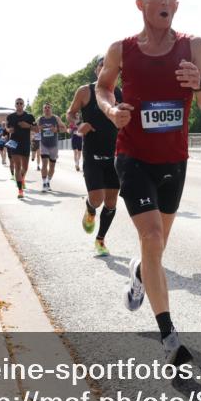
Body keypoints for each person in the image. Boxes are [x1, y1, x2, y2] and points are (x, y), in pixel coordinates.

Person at [96, 0, 201, 364]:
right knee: (151, 237)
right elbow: (102, 86)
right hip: (132, 155)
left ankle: (138, 273)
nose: (165, 2)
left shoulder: (193, 46)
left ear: (176, 5)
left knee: (157, 247)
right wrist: (112, 108)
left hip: (174, 159)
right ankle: (169, 336)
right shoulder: (122, 49)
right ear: (141, 4)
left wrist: (199, 84)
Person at [67, 58, 123, 256]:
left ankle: (100, 240)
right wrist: (77, 124)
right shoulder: (85, 91)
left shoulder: (118, 93)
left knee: (111, 203)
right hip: (92, 153)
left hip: (114, 154)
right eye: (103, 67)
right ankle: (90, 209)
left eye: (111, 68)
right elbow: (70, 113)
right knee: (97, 200)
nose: (106, 71)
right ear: (96, 70)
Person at [6, 98, 35, 199]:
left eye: (21, 103)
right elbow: (7, 128)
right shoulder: (10, 117)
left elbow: (37, 129)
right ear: (15, 105)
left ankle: (22, 179)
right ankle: (20, 190)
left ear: (23, 105)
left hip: (25, 143)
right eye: (17, 103)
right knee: (17, 167)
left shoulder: (29, 116)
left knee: (25, 168)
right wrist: (9, 130)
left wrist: (28, 126)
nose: (19, 105)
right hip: (14, 143)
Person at [37, 102, 65, 191]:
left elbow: (64, 128)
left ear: (51, 109)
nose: (47, 109)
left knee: (52, 166)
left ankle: (48, 181)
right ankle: (44, 183)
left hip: (54, 145)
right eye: (45, 108)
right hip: (44, 144)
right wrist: (38, 129)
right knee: (44, 163)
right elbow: (34, 130)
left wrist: (56, 129)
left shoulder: (56, 118)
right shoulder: (40, 119)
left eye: (48, 107)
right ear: (43, 110)